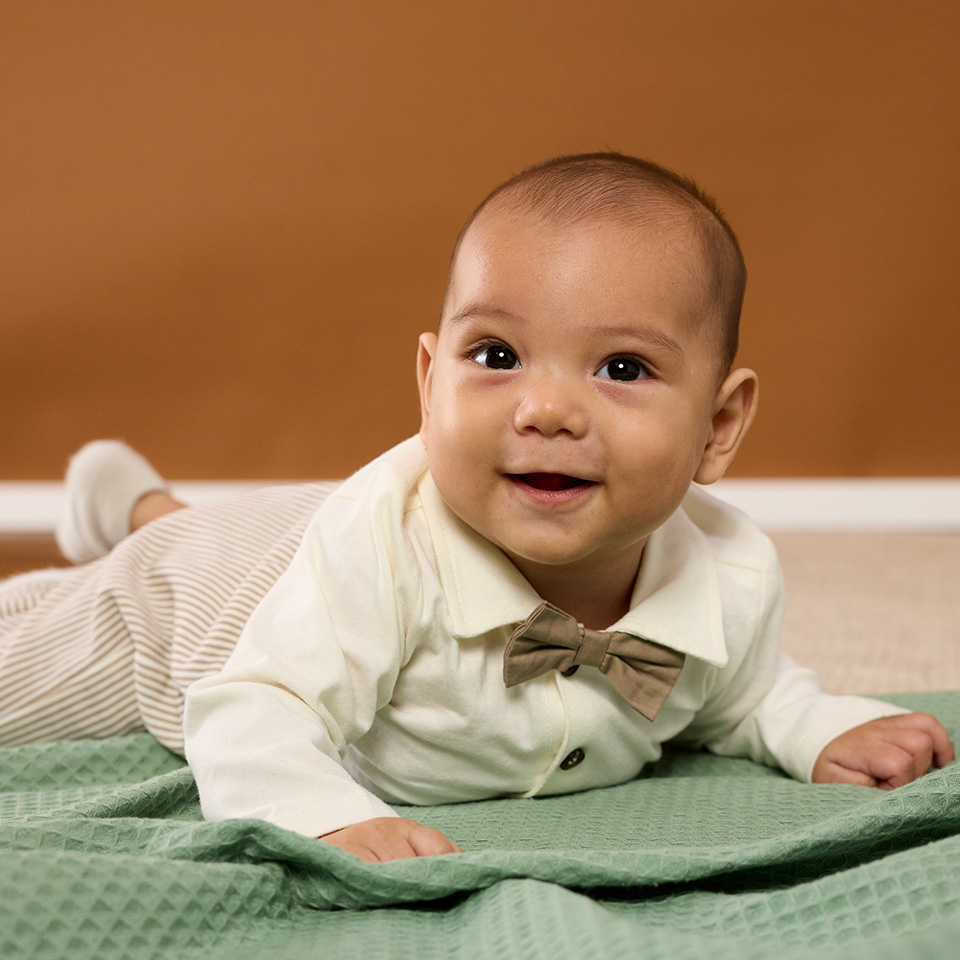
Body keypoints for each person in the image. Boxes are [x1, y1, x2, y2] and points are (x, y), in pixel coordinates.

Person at [0, 153, 952, 864]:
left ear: (719, 426)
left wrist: (817, 725)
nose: (542, 410)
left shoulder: (730, 573)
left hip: (304, 544)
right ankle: (148, 526)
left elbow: (741, 693)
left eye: (622, 368)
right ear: (429, 381)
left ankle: (139, 502)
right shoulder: (379, 549)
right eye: (496, 355)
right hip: (202, 601)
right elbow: (254, 705)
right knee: (40, 662)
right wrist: (327, 815)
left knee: (205, 534)